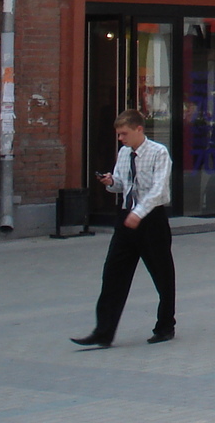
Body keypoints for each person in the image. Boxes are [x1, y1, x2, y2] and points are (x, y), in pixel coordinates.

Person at [72, 109, 175, 348]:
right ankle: (103, 331)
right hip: (127, 218)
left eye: (124, 134)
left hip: (151, 219)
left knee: (162, 274)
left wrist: (139, 214)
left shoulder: (159, 153)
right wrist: (111, 182)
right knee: (113, 274)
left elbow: (158, 190)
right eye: (119, 135)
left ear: (139, 129)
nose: (121, 139)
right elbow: (121, 184)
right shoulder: (124, 153)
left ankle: (165, 326)